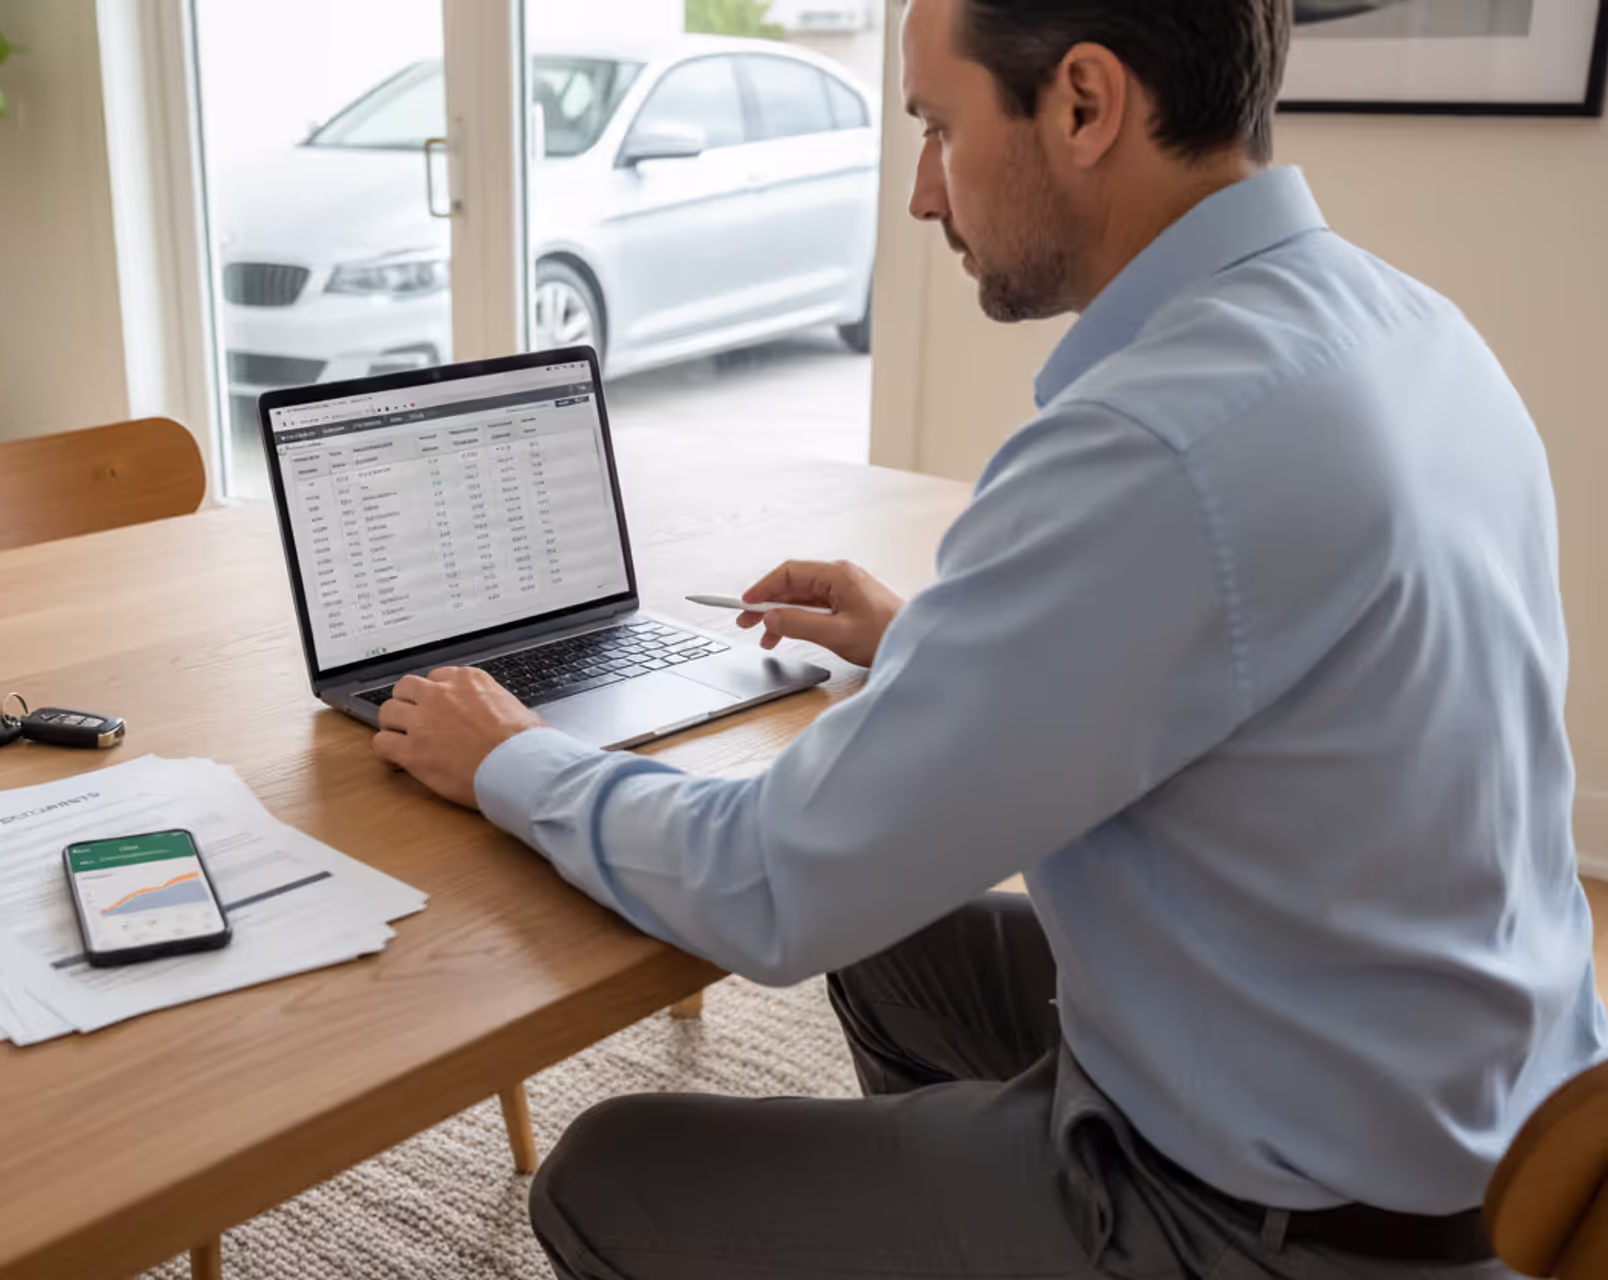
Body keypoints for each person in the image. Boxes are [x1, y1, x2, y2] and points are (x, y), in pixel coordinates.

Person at [370, 0, 1608, 1274]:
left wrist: (508, 753)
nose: (920, 195)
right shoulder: (1406, 327)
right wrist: (933, 641)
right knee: (896, 936)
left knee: (611, 1173)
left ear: (1082, 105)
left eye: (937, 127)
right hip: (1479, 1129)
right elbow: (1257, 672)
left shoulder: (1154, 445)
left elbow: (773, 885)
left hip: (1283, 1230)